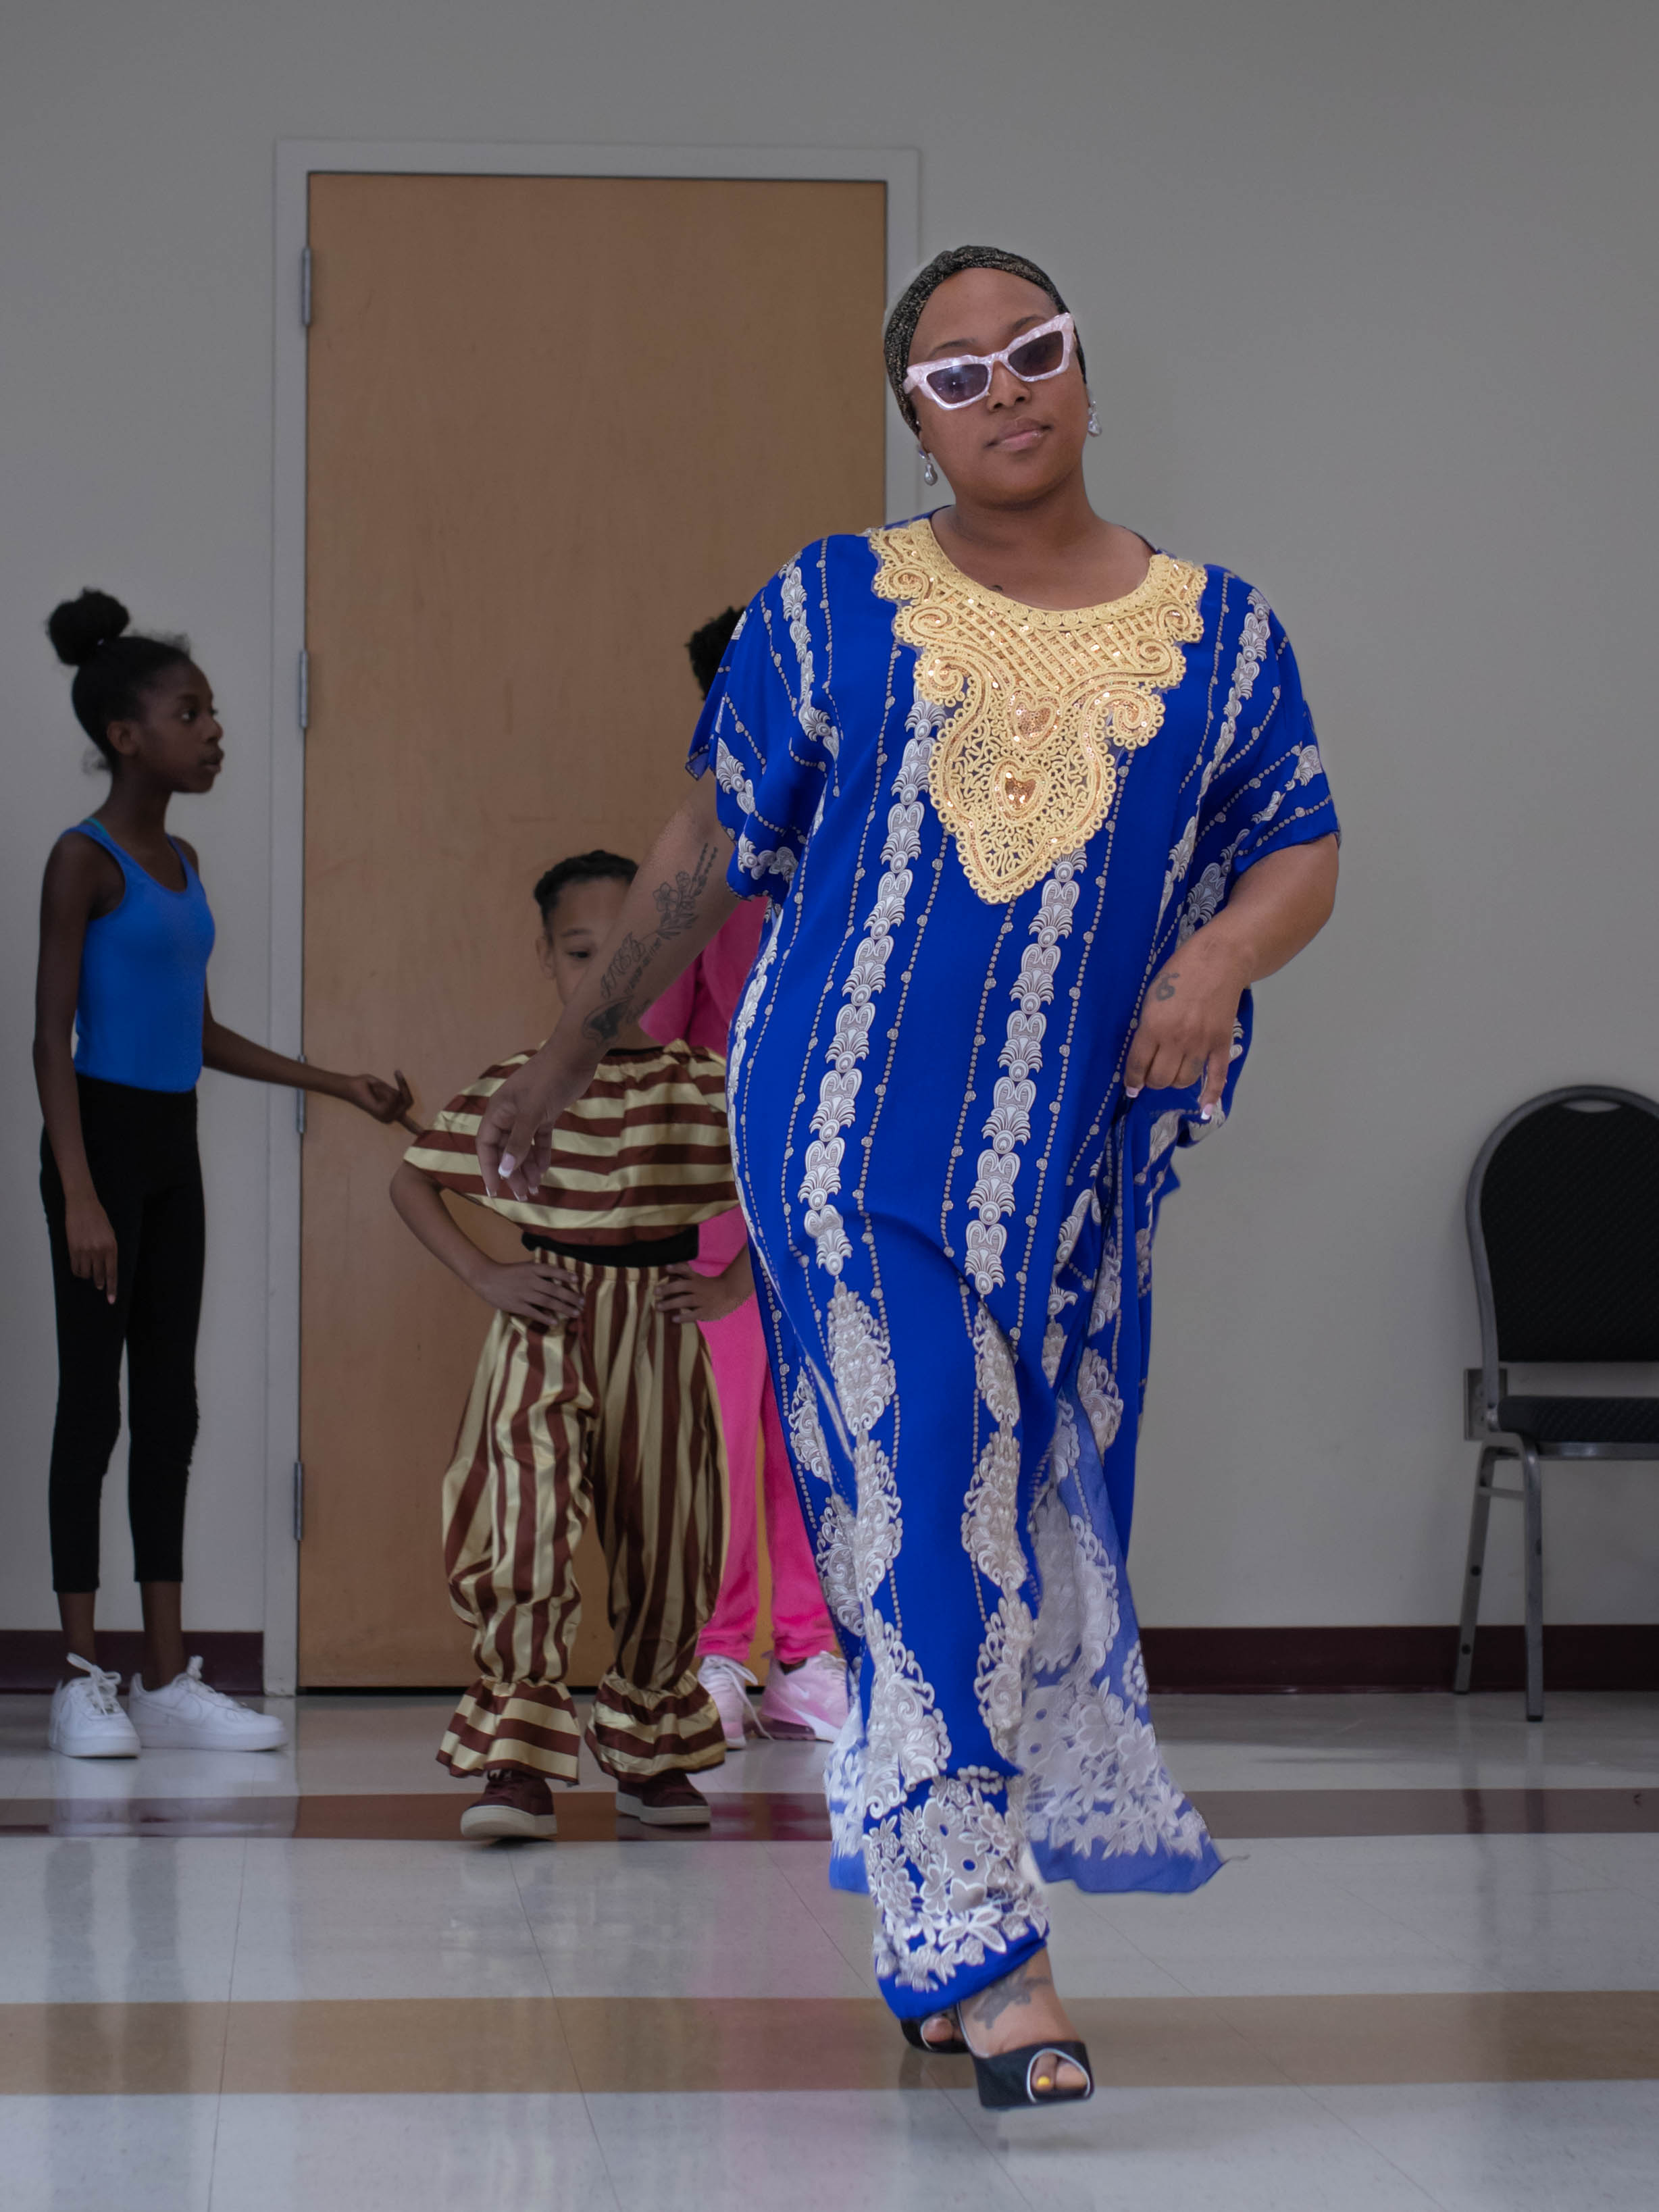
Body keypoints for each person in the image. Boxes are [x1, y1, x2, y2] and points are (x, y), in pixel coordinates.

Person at [474, 247, 1339, 2107]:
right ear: (915, 424)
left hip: (1070, 1161)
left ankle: (932, 1914)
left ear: (1086, 375)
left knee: (983, 1524)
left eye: (1033, 350)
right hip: (844, 1126)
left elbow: (1300, 845)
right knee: (929, 1471)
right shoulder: (830, 604)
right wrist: (569, 1051)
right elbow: (708, 840)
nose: (1003, 386)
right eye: (956, 372)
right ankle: (991, 1952)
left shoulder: (1223, 632)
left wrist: (1216, 960)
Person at [35, 590, 411, 1759]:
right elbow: (51, 1041)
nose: (214, 733)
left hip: (171, 1146)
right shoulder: (82, 862)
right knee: (92, 1405)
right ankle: (79, 1677)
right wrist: (79, 1192)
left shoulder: (185, 862)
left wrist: (336, 1082)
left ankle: (164, 1678)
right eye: (190, 714)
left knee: (171, 1404)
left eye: (212, 713)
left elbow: (196, 1034)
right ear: (125, 736)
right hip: (97, 1149)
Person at [391, 850, 747, 1838]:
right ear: (547, 958)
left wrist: (727, 1288)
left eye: (626, 951)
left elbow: (794, 1188)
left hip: (660, 1333)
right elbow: (413, 1180)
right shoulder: (521, 1084)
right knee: (520, 1520)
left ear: (666, 953)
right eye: (581, 953)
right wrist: (487, 1276)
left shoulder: (701, 1086)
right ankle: (517, 1763)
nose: (603, 973)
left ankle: (653, 1750)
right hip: (543, 1327)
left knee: (671, 1532)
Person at [643, 608, 850, 1751]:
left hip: (834, 1195)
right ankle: (719, 1654)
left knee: (815, 1428)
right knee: (723, 1433)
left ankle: (811, 1658)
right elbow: (657, 1047)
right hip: (722, 1202)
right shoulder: (703, 863)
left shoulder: (863, 846)